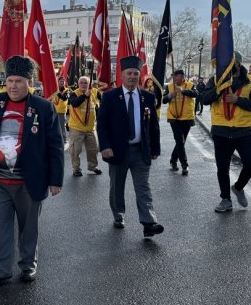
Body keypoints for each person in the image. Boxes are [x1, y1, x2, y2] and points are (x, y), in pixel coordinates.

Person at [0, 56, 64, 290]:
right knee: (0, 229)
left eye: (19, 81)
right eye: (9, 80)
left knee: (28, 227)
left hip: (28, 180)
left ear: (29, 81)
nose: (13, 86)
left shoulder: (43, 107)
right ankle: (0, 271)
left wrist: (55, 180)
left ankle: (27, 265)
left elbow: (55, 144)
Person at [96, 55, 164, 238]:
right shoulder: (110, 97)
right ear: (122, 75)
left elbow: (153, 126)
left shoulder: (148, 98)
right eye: (129, 73)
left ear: (139, 75)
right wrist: (105, 146)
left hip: (140, 151)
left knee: (143, 187)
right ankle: (118, 214)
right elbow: (101, 124)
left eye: (136, 73)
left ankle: (149, 222)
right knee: (117, 186)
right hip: (117, 151)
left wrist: (155, 149)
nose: (132, 76)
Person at [199, 51, 251, 213]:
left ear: (237, 64)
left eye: (229, 63)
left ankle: (238, 187)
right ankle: (225, 199)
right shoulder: (216, 80)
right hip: (221, 130)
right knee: (223, 167)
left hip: (244, 130)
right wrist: (218, 90)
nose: (226, 66)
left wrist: (238, 100)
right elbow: (204, 99)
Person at [162, 69, 197, 175]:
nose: (175, 79)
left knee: (181, 142)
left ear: (182, 77)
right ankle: (184, 165)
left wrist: (182, 91)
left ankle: (173, 160)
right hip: (174, 118)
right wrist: (170, 96)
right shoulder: (169, 86)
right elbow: (163, 100)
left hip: (186, 118)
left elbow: (195, 94)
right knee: (180, 141)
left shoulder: (190, 85)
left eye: (177, 77)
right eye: (174, 77)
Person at [67, 76, 102, 177]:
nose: (83, 84)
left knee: (93, 149)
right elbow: (74, 103)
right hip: (77, 128)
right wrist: (85, 96)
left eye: (85, 83)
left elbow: (104, 100)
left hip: (91, 128)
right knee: (75, 150)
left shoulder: (95, 92)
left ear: (89, 84)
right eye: (81, 83)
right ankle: (76, 169)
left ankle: (92, 166)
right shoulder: (74, 93)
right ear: (78, 84)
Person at [49, 76, 70, 145]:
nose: (61, 82)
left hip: (61, 111)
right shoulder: (54, 90)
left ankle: (63, 139)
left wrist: (58, 93)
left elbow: (64, 98)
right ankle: (55, 139)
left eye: (63, 81)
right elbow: (49, 99)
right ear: (57, 82)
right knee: (52, 126)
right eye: (60, 81)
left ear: (64, 82)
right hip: (53, 110)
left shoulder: (66, 90)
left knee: (61, 126)